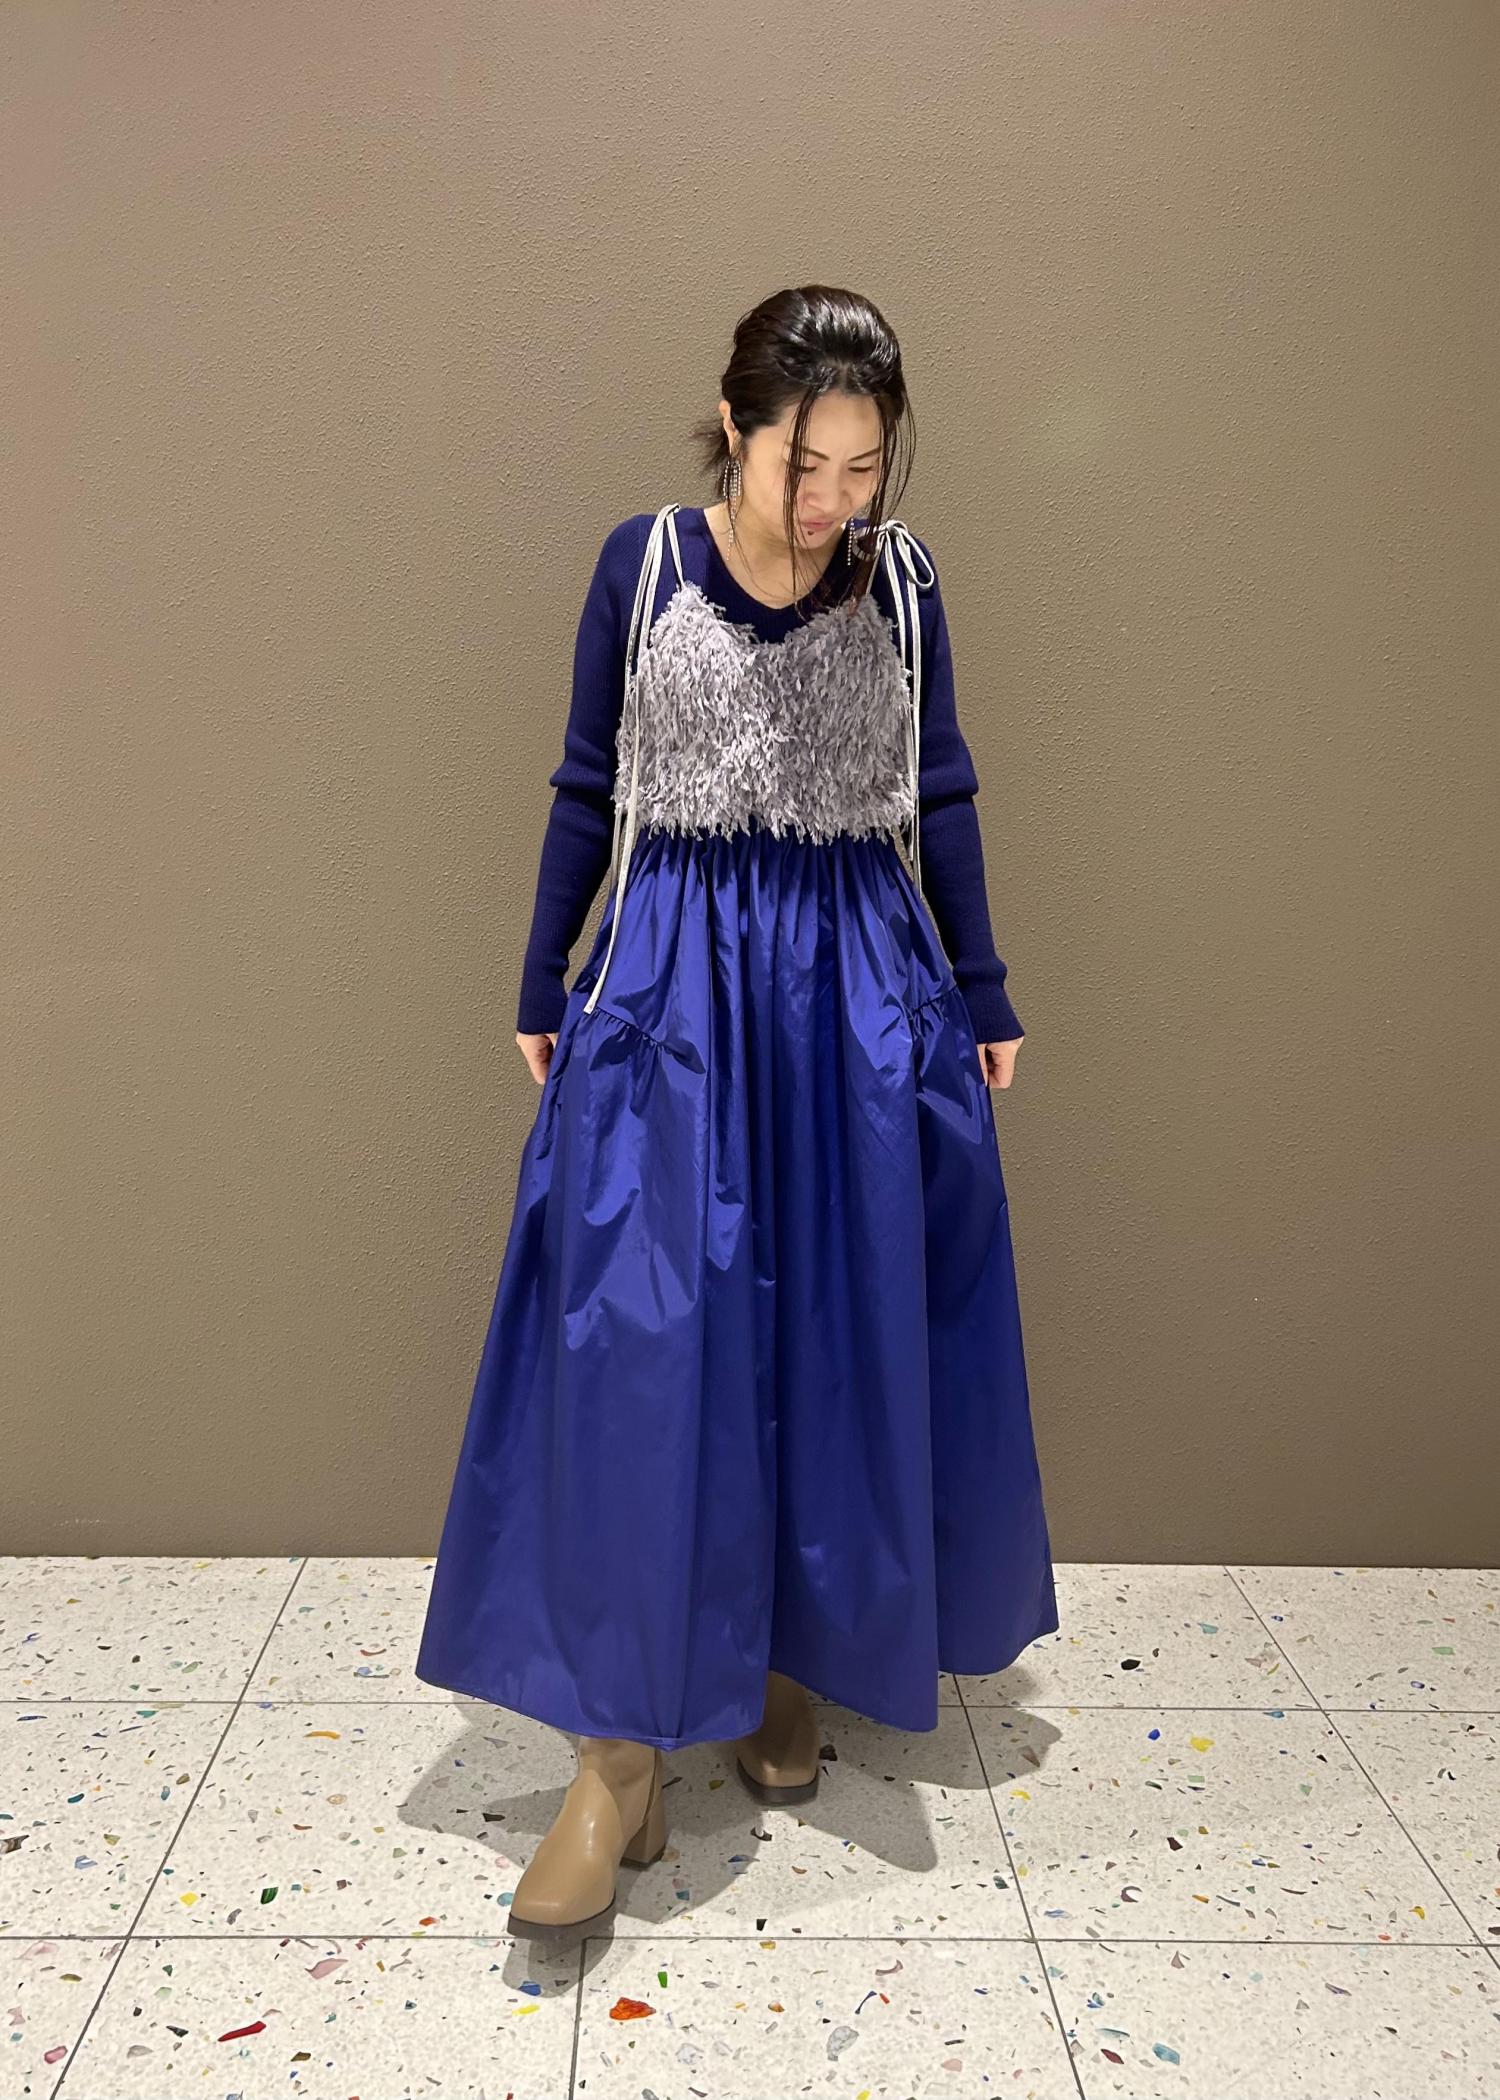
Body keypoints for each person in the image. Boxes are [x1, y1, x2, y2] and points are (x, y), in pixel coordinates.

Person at [414, 285, 1059, 1939]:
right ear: (735, 426)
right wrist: (542, 973)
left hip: (852, 991)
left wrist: (984, 991)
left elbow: (940, 787)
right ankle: (615, 1764)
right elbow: (586, 779)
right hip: (674, 987)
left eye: (864, 465)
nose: (833, 498)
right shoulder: (640, 569)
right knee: (638, 1348)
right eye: (803, 462)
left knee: (831, 1333)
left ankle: (793, 1665)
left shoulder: (902, 587)